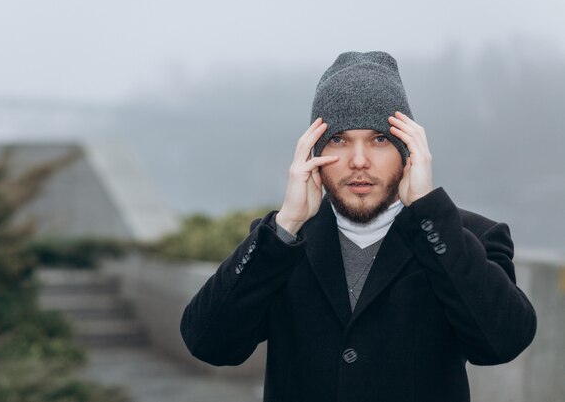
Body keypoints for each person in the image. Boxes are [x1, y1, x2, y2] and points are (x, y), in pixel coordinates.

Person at [180, 51, 537, 402]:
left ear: (409, 150)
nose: (359, 161)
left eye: (380, 139)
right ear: (314, 154)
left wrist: (429, 212)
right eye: (339, 140)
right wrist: (286, 223)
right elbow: (208, 342)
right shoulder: (282, 242)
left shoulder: (467, 236)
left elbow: (502, 342)